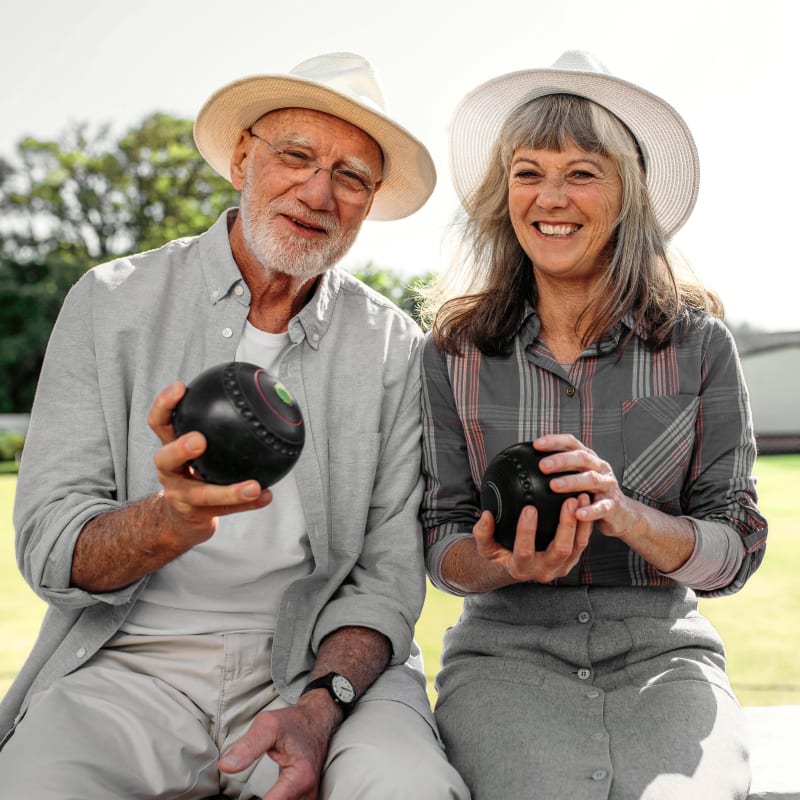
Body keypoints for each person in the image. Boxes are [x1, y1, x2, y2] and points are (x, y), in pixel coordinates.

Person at [0, 52, 470, 800]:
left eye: (351, 175)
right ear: (243, 158)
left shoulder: (395, 350)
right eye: (296, 156)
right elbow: (49, 549)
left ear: (369, 200)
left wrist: (322, 708)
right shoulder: (109, 303)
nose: (318, 191)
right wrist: (169, 520)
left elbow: (385, 582)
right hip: (130, 660)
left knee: (406, 786)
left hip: (318, 665)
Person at [419, 50, 767, 800]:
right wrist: (504, 563)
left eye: (583, 171)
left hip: (663, 657)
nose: (552, 197)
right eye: (528, 170)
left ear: (628, 195)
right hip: (503, 657)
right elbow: (441, 540)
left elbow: (736, 550)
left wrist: (630, 516)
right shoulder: (454, 351)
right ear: (501, 192)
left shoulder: (699, 345)